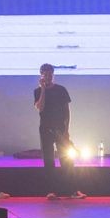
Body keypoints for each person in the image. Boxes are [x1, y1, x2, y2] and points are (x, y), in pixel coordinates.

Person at [34, 64, 84, 199]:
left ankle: (73, 190)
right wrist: (43, 90)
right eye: (45, 74)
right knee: (49, 160)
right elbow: (40, 107)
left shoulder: (61, 90)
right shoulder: (37, 91)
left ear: (53, 74)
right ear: (41, 75)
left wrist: (67, 129)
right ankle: (51, 191)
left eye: (50, 74)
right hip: (45, 129)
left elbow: (67, 111)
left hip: (60, 129)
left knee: (67, 159)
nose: (48, 76)